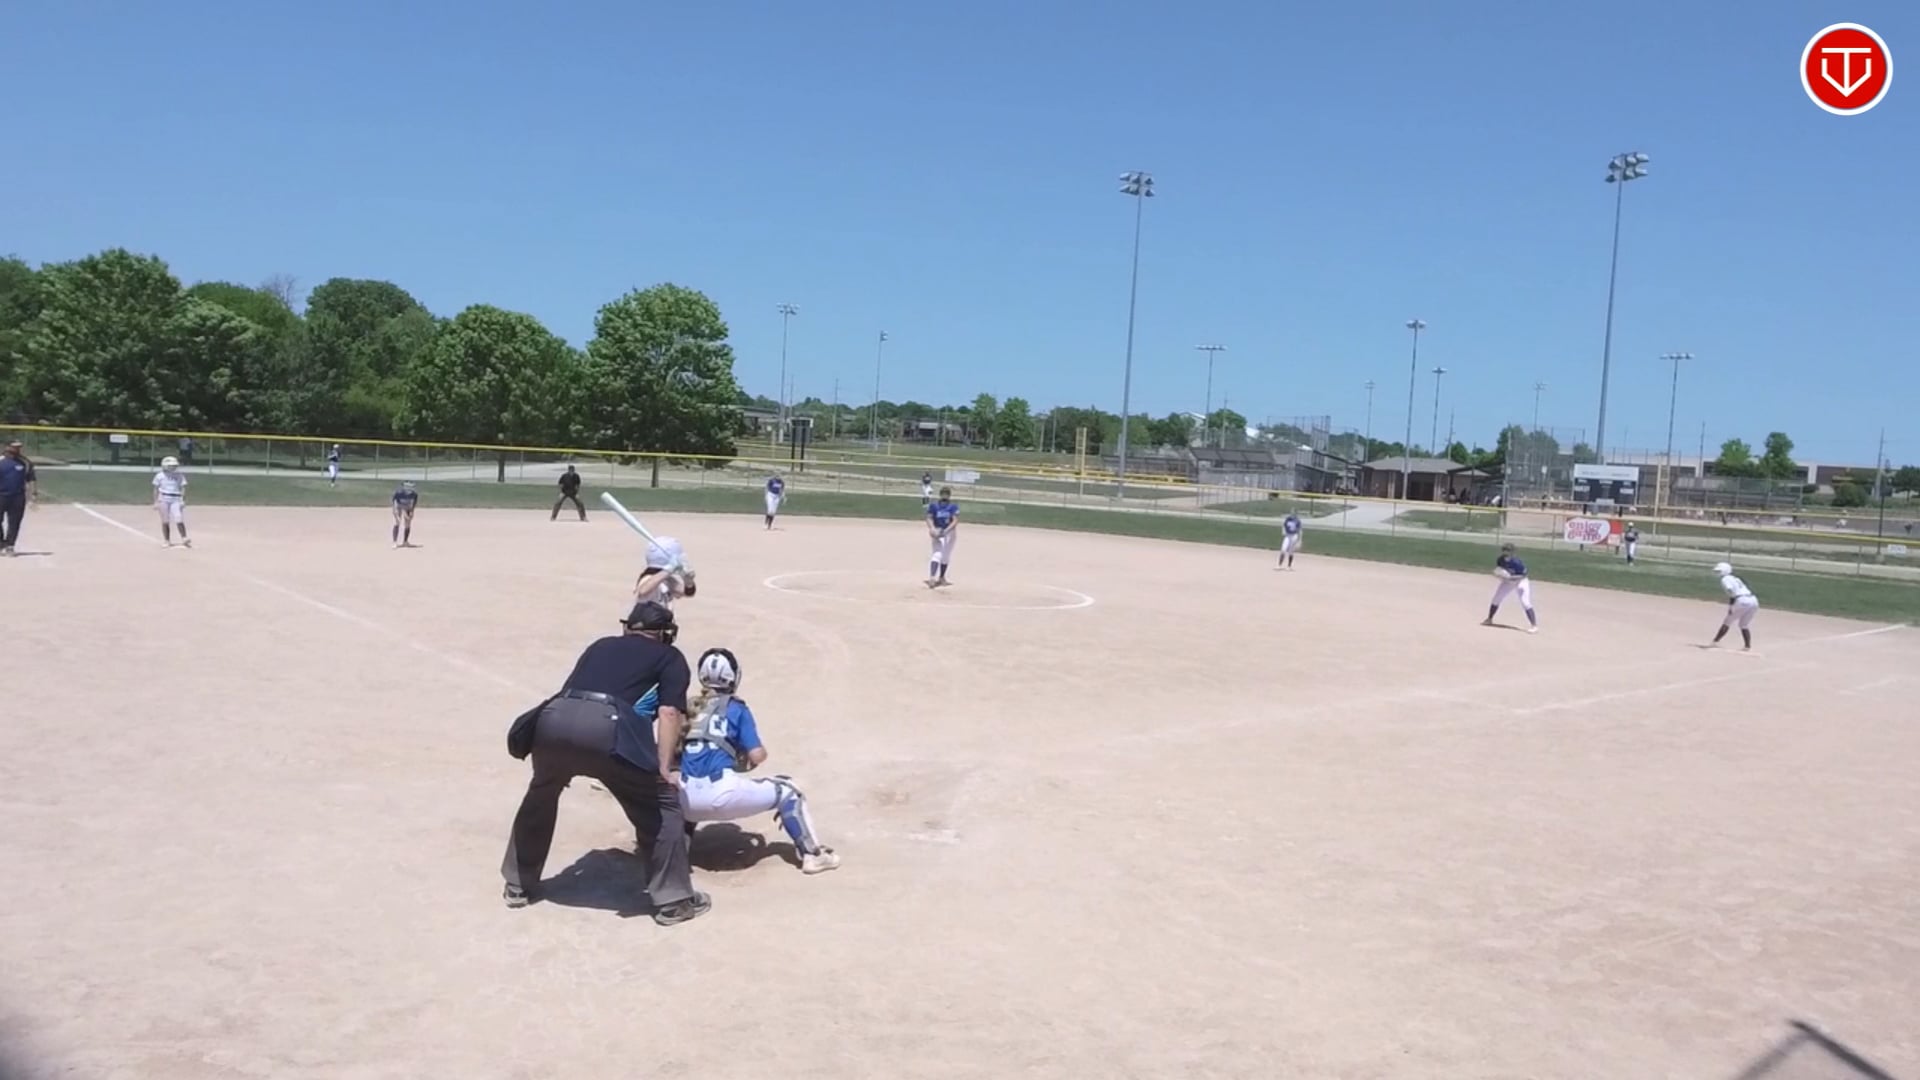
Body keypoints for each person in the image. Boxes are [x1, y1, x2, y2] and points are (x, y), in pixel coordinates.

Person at [501, 601, 711, 925]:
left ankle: (518, 884)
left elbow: (573, 690)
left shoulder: (600, 645)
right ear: (664, 633)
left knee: (541, 793)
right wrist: (664, 768)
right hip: (608, 728)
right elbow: (670, 713)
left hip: (553, 720)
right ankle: (674, 900)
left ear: (629, 627)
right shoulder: (669, 657)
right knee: (662, 803)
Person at [677, 648, 840, 874]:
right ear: (733, 677)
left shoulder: (689, 708)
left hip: (685, 801)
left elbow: (675, 754)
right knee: (789, 790)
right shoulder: (736, 708)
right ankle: (813, 855)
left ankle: (676, 857)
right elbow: (757, 755)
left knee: (687, 789)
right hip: (722, 793)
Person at [1483, 542, 1538, 633]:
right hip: (1508, 582)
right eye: (1504, 550)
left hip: (1521, 582)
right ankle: (1489, 619)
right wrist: (1498, 574)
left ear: (1512, 552)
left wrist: (1512, 577)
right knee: (1496, 599)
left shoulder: (1517, 562)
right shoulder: (1500, 560)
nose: (1506, 552)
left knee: (1525, 602)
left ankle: (1534, 626)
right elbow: (1499, 570)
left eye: (1508, 550)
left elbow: (1524, 575)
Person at [633, 537, 696, 611]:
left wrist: (688, 581)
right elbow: (643, 590)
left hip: (663, 618)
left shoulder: (667, 580)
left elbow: (687, 593)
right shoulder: (648, 578)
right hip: (647, 618)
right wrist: (667, 571)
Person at [1709, 561, 1759, 651]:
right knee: (1744, 624)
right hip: (1753, 600)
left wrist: (1732, 605)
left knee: (1727, 621)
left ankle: (1715, 641)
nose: (1717, 573)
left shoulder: (1725, 579)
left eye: (1719, 571)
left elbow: (1730, 591)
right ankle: (1747, 646)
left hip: (1742, 600)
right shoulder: (1735, 578)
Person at [0, 440, 36, 557]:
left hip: (18, 497)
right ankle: (1, 544)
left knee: (14, 522)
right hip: (1, 496)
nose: (17, 449)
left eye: (19, 447)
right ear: (7, 447)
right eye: (14, 447)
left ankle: (10, 546)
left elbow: (31, 479)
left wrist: (33, 495)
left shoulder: (25, 462)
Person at [152, 455, 192, 548]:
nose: (173, 467)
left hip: (176, 499)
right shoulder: (160, 475)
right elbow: (155, 489)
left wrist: (182, 499)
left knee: (179, 518)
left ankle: (184, 538)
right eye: (171, 466)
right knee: (165, 520)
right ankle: (167, 540)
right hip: (163, 498)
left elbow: (183, 488)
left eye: (174, 466)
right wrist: (155, 501)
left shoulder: (179, 475)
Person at [925, 485, 959, 588]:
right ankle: (932, 577)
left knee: (946, 556)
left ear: (949, 495)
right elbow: (929, 518)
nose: (945, 495)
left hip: (949, 533)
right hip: (937, 532)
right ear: (940, 494)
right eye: (943, 493)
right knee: (937, 554)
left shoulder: (953, 507)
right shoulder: (934, 506)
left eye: (947, 493)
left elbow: (955, 520)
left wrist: (946, 531)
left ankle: (941, 577)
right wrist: (932, 528)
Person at [391, 481, 419, 547]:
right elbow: (395, 503)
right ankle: (395, 542)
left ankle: (405, 541)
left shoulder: (414, 495)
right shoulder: (398, 493)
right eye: (407, 487)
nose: (409, 489)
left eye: (411, 487)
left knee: (408, 524)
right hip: (398, 507)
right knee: (397, 522)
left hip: (407, 507)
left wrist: (411, 512)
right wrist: (396, 513)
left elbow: (413, 504)